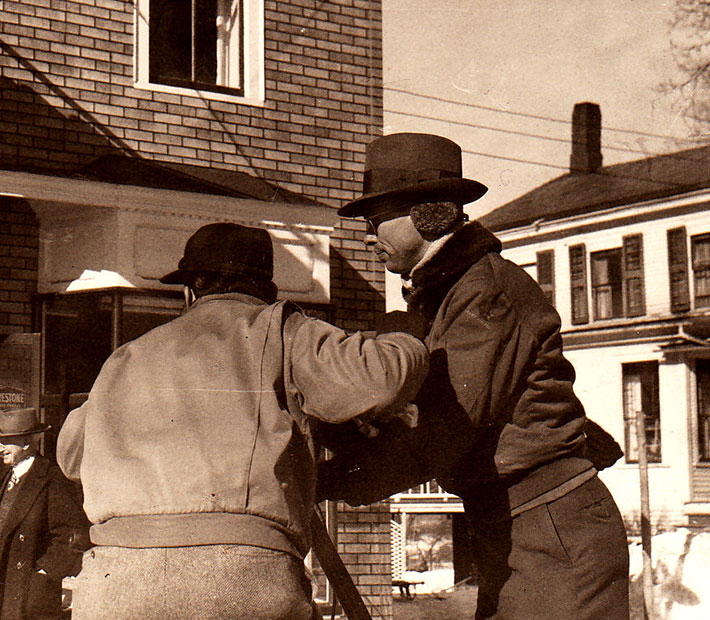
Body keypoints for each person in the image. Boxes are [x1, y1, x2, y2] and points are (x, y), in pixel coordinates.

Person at [56, 222, 430, 620]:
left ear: (190, 290)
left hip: (116, 586)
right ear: (265, 290)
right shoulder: (282, 328)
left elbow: (71, 456)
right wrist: (404, 335)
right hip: (237, 579)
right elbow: (378, 381)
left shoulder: (125, 357)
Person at [328, 132, 629, 619]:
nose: (367, 234)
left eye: (376, 219)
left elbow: (448, 429)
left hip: (550, 527)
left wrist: (335, 479)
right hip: (519, 524)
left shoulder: (484, 291)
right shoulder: (447, 294)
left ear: (429, 214)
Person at [0, 408, 88, 620]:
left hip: (27, 590)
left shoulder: (51, 478)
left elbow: (72, 535)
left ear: (26, 444)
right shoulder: (3, 478)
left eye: (6, 443)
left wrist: (44, 573)